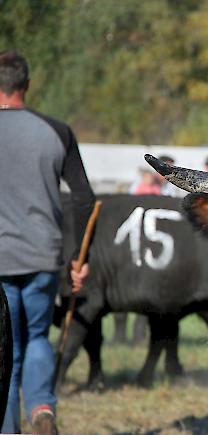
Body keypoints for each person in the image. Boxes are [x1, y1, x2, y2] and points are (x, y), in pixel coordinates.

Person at [0, 50, 95, 434]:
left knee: (8, 350)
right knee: (37, 335)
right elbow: (84, 197)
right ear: (28, 84)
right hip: (42, 256)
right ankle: (42, 408)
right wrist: (78, 258)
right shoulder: (56, 130)